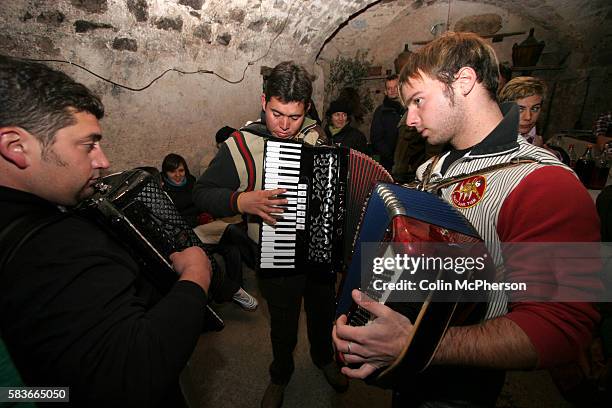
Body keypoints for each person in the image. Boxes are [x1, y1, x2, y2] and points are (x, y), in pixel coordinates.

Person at [333, 32, 601, 407]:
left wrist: (418, 344)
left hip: (462, 386)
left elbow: (565, 327)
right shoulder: (431, 168)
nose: (409, 119)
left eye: (418, 101)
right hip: (408, 374)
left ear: (463, 82)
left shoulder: (547, 182)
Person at [0, 56, 212, 405]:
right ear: (17, 147)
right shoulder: (56, 247)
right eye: (88, 145)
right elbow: (133, 373)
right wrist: (195, 277)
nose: (102, 161)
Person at [193, 61, 347, 408]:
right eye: (277, 113)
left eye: (294, 116)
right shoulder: (241, 144)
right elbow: (202, 192)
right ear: (264, 101)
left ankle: (324, 359)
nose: (284, 125)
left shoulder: (317, 136)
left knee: (323, 312)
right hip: (274, 255)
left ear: (306, 108)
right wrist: (240, 199)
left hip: (319, 252)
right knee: (283, 324)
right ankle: (280, 374)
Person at [161, 152, 258, 311]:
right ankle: (257, 261)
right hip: (190, 233)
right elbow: (174, 221)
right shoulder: (166, 193)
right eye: (173, 172)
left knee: (232, 249)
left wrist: (208, 214)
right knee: (232, 229)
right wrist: (198, 219)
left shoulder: (191, 181)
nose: (178, 175)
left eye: (181, 170)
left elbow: (202, 202)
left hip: (206, 227)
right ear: (166, 173)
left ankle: (237, 289)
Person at [498, 76, 547, 146]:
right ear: (505, 109)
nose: (528, 117)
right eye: (520, 109)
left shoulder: (537, 140)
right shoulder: (490, 140)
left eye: (535, 109)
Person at [370, 74, 405, 171]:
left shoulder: (410, 109)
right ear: (385, 91)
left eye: (395, 87)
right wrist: (392, 158)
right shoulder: (380, 112)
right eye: (389, 88)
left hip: (411, 164)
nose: (393, 90)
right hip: (389, 164)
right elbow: (376, 139)